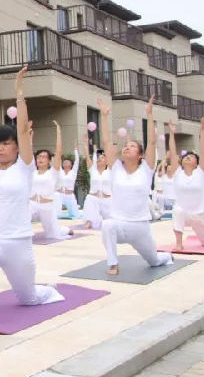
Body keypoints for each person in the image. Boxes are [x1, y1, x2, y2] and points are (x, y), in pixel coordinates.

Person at [0, 66, 63, 321]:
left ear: (17, 147)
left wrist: (19, 92)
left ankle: (47, 291)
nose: (0, 148)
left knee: (29, 298)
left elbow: (24, 133)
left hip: (18, 243)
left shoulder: (25, 167)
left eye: (6, 143)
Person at [99, 96, 172, 275]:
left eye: (132, 146)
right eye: (126, 146)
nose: (127, 148)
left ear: (140, 155)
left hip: (140, 227)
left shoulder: (146, 169)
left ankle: (166, 256)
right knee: (107, 225)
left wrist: (149, 114)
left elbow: (152, 142)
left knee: (154, 261)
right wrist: (104, 116)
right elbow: (107, 142)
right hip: (119, 224)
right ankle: (113, 264)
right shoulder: (115, 168)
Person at [29, 121, 73, 240]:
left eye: (44, 157)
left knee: (53, 235)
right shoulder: (32, 171)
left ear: (49, 160)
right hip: (32, 205)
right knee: (21, 218)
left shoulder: (53, 173)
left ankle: (63, 229)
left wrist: (58, 133)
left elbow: (58, 152)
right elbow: (28, 153)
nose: (40, 159)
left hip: (47, 206)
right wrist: (30, 138)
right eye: (39, 157)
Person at [166, 119, 204, 250]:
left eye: (191, 157)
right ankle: (179, 243)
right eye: (186, 156)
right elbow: (173, 151)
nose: (188, 157)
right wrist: (171, 133)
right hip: (183, 213)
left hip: (199, 214)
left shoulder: (200, 172)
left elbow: (202, 150)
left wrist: (202, 130)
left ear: (196, 163)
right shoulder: (177, 172)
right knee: (178, 210)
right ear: (181, 162)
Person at [81, 132, 111, 230]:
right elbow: (87, 156)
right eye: (98, 157)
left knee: (112, 223)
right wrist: (85, 144)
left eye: (102, 157)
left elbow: (110, 154)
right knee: (89, 198)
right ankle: (89, 221)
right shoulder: (92, 170)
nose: (99, 159)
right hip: (94, 199)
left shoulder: (110, 171)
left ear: (106, 160)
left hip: (108, 200)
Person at [56, 148, 81, 219]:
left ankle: (75, 209)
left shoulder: (73, 172)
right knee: (56, 197)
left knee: (75, 214)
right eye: (64, 162)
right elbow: (58, 160)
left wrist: (75, 150)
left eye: (67, 162)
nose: (65, 163)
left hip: (69, 195)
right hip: (59, 194)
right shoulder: (60, 171)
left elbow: (77, 160)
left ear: (71, 165)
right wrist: (58, 152)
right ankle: (56, 214)